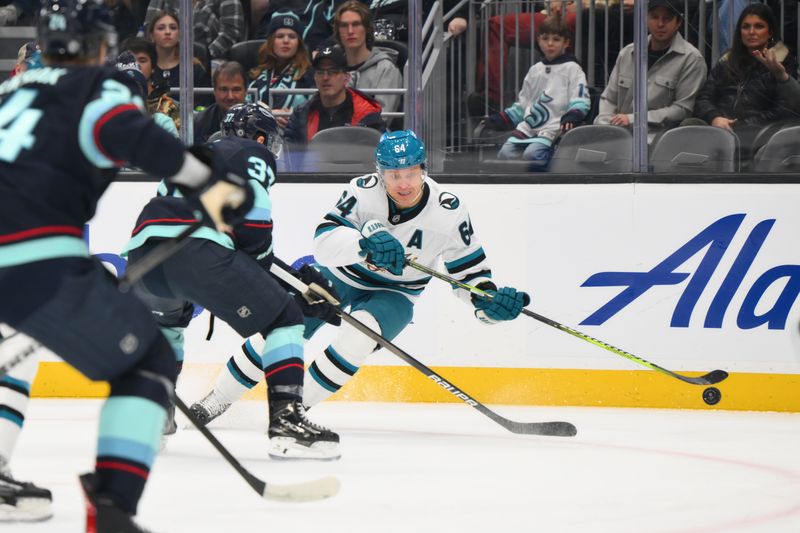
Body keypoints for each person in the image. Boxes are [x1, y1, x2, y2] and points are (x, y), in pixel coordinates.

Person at [0, 0, 251, 531]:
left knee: (9, 357)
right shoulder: (96, 86)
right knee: (148, 363)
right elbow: (128, 130)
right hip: (29, 258)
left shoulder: (11, 90)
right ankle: (113, 506)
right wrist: (207, 182)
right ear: (99, 47)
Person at [190, 129, 532, 424]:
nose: (402, 183)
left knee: (359, 337)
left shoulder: (448, 210)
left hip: (396, 294)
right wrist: (364, 244)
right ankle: (214, 401)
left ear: (423, 169)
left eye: (410, 173)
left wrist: (487, 302)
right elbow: (323, 243)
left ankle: (292, 412)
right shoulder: (361, 190)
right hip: (340, 278)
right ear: (379, 172)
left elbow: (468, 273)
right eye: (393, 174)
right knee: (284, 328)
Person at [123, 102, 342, 460]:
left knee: (168, 327)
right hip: (196, 249)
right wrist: (286, 290)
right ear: (258, 137)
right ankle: (287, 421)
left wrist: (289, 279)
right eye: (268, 140)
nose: (270, 148)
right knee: (285, 319)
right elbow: (252, 225)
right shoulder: (251, 152)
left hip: (142, 252)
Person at [688, 3, 800, 155]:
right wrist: (715, 118)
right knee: (689, 126)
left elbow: (787, 109)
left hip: (761, 139)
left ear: (770, 32)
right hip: (719, 131)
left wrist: (741, 125)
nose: (751, 32)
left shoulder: (783, 61)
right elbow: (703, 98)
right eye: (746, 27)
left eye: (759, 26)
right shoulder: (726, 61)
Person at [484, 15, 590, 170]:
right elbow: (523, 105)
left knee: (532, 156)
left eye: (556, 39)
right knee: (505, 154)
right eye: (545, 38)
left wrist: (573, 115)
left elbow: (581, 99)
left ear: (566, 42)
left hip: (553, 128)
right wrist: (498, 119)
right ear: (538, 40)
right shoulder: (535, 70)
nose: (550, 43)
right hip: (528, 127)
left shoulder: (572, 68)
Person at [595, 0, 707, 142]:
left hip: (660, 141)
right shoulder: (627, 53)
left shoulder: (692, 59)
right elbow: (609, 98)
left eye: (667, 18)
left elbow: (682, 109)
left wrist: (632, 119)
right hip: (617, 136)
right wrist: (605, 125)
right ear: (646, 19)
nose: (660, 24)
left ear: (678, 22)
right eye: (654, 17)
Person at [284, 45, 384, 145]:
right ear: (314, 77)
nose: (325, 77)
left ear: (347, 78)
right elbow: (289, 153)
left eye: (333, 72)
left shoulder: (367, 114)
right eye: (320, 72)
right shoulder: (302, 114)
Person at [248, 12, 315, 128]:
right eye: (280, 36)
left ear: (299, 43)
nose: (286, 41)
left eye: (292, 36)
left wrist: (292, 117)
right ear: (271, 42)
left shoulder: (309, 76)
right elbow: (243, 110)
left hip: (295, 140)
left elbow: (315, 114)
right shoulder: (255, 76)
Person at [334, 1, 403, 113]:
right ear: (338, 31)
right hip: (332, 130)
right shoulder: (332, 68)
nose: (350, 31)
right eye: (344, 25)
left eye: (356, 24)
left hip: (371, 130)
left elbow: (383, 117)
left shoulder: (386, 69)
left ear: (367, 29)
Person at [148, 9, 212, 105]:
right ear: (152, 35)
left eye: (173, 28)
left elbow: (205, 105)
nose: (168, 32)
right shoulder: (145, 66)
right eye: (161, 28)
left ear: (179, 34)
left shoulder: (194, 68)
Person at [120, 37, 181, 132]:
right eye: (131, 61)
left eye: (142, 60)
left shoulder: (169, 106)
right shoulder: (111, 103)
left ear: (153, 67)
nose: (136, 65)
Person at [194, 61, 248, 144]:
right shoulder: (199, 123)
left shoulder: (259, 121)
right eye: (224, 89)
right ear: (214, 91)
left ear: (246, 91)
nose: (230, 96)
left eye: (236, 90)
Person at [193, 0, 247, 66]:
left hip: (214, 61)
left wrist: (206, 55)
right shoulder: (184, 5)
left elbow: (230, 34)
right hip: (187, 59)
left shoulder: (228, 1)